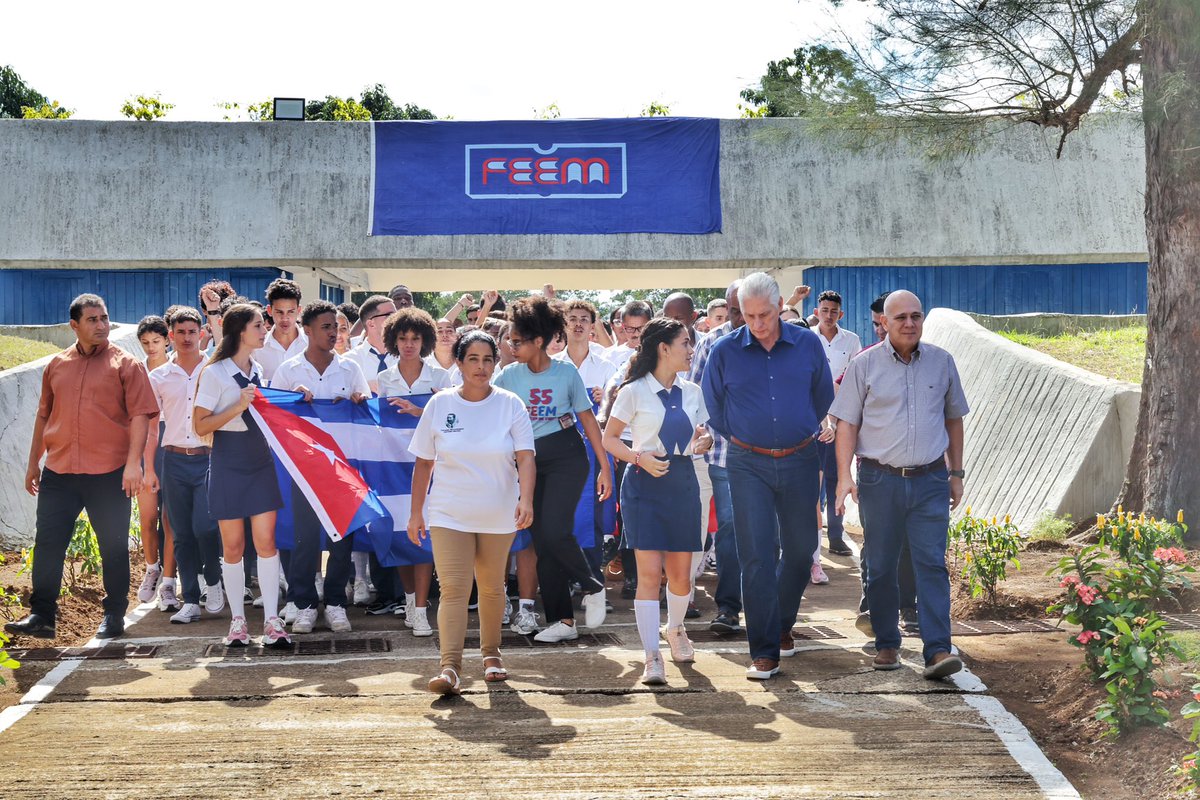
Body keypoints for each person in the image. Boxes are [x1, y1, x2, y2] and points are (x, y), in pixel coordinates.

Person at [701, 272, 834, 680]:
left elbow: (822, 395)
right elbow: (714, 406)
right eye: (749, 316)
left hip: (800, 459)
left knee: (801, 549)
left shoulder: (808, 343)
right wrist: (746, 436)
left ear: (780, 306)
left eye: (765, 314)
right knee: (756, 555)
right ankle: (763, 650)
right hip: (747, 463)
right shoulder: (724, 351)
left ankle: (781, 623)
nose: (757, 324)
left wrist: (796, 430)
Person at [831, 290, 969, 680]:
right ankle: (887, 642)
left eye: (916, 316)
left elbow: (954, 419)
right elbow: (847, 423)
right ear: (884, 323)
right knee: (880, 564)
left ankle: (938, 650)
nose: (909, 324)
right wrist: (844, 476)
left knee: (932, 564)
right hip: (880, 480)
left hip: (930, 480)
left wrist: (956, 474)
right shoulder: (864, 365)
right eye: (901, 318)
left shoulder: (942, 362)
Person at [6, 294, 158, 641]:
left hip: (109, 472)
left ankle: (114, 614)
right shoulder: (57, 365)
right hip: (59, 471)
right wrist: (33, 463)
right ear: (74, 325)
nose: (102, 325)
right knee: (47, 543)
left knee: (113, 546)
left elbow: (141, 416)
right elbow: (43, 415)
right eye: (93, 320)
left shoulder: (126, 365)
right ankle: (42, 615)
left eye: (104, 318)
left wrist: (133, 465)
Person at [408, 330, 535, 694]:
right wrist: (416, 513)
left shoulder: (511, 404)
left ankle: (492, 655)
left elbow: (526, 457)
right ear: (459, 363)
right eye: (473, 359)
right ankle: (450, 668)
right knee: (454, 589)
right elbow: (424, 463)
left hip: (499, 512)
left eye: (488, 359)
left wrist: (525, 499)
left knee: (492, 588)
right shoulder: (440, 404)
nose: (481, 367)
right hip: (449, 514)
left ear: (496, 364)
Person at [494, 296, 611, 642]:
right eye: (510, 340)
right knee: (543, 541)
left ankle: (593, 585)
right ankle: (563, 621)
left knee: (557, 531)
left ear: (538, 341)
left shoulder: (566, 372)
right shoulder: (508, 376)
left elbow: (588, 421)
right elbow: (485, 409)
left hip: (566, 454)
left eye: (518, 341)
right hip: (527, 460)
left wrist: (604, 467)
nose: (511, 346)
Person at [603, 318, 711, 685]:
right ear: (664, 348)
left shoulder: (693, 391)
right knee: (649, 576)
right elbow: (609, 439)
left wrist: (705, 441)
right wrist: (638, 458)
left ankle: (675, 628)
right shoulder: (633, 390)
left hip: (683, 482)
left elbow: (702, 433)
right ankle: (652, 655)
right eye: (685, 343)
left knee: (681, 576)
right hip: (643, 485)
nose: (691, 350)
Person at [193, 303, 291, 648]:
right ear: (239, 331)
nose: (265, 330)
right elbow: (200, 425)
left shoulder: (258, 369)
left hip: (260, 460)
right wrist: (238, 405)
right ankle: (237, 621)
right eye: (258, 326)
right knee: (233, 546)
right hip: (228, 461)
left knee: (267, 543)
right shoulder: (215, 373)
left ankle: (272, 620)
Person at [271, 300, 371, 635]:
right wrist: (293, 401)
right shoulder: (288, 370)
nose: (333, 333)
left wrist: (358, 402)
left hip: (342, 471)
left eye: (337, 327)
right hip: (305, 471)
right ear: (308, 330)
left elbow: (365, 412)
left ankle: (336, 603)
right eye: (326, 327)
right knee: (305, 540)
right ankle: (304, 605)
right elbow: (274, 418)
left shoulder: (350, 368)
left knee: (342, 540)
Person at [377, 307, 453, 636]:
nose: (409, 344)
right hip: (393, 468)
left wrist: (418, 410)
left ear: (426, 341)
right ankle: (409, 599)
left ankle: (421, 609)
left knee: (424, 536)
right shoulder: (384, 379)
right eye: (403, 338)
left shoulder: (440, 377)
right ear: (393, 341)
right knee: (400, 536)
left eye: (415, 338)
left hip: (430, 466)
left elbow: (450, 419)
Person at [149, 307, 226, 624]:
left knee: (205, 527)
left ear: (201, 333)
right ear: (171, 336)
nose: (186, 337)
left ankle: (214, 580)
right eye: (180, 332)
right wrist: (148, 467)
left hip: (208, 458)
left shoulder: (214, 369)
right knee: (180, 533)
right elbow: (151, 427)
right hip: (173, 460)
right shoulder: (159, 376)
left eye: (192, 331)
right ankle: (191, 599)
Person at [688, 280, 744, 634]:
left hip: (775, 456)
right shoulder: (712, 342)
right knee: (730, 531)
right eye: (734, 311)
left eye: (747, 311)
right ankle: (729, 607)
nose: (741, 319)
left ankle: (771, 609)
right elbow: (696, 396)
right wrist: (706, 431)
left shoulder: (784, 340)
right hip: (724, 455)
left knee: (771, 535)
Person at [813, 290, 862, 565]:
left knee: (837, 474)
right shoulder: (807, 337)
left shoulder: (851, 340)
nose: (829, 315)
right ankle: (811, 540)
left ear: (840, 314)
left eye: (834, 311)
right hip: (810, 417)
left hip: (840, 418)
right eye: (824, 310)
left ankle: (835, 534)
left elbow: (854, 377)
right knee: (812, 478)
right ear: (816, 312)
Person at [134, 315, 179, 610]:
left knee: (170, 519)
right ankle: (152, 569)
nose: (151, 347)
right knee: (148, 517)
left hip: (172, 441)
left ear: (167, 340)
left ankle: (169, 584)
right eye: (145, 342)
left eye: (156, 341)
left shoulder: (178, 368)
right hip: (143, 445)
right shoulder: (135, 371)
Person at [254, 278, 307, 382]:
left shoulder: (312, 343)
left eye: (290, 312)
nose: (285, 318)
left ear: (299, 310)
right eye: (279, 312)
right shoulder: (256, 347)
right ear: (269, 310)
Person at [344, 295, 397, 395]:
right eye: (390, 315)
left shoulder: (408, 357)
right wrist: (364, 388)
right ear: (371, 324)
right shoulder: (349, 361)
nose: (397, 320)